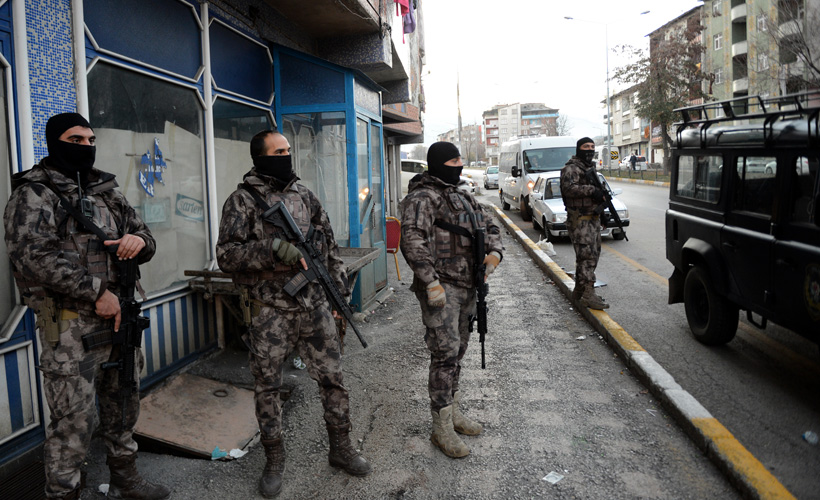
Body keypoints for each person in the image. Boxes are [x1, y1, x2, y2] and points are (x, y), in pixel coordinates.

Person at [3, 113, 167, 500]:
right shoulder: (34, 194)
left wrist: (139, 242)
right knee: (73, 420)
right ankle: (63, 492)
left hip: (121, 317)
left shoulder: (106, 192)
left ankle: (125, 479)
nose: (86, 146)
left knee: (123, 402)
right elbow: (32, 257)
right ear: (54, 142)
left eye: (91, 140)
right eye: (76, 140)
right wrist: (96, 292)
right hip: (68, 326)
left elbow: (145, 235)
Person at [216, 130, 370, 498]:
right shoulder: (242, 201)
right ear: (260, 157)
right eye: (278, 152)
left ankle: (341, 447)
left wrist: (339, 297)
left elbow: (330, 250)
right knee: (268, 387)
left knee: (333, 379)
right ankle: (274, 459)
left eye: (288, 150)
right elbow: (226, 256)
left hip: (314, 307)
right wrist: (271, 249)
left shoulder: (305, 196)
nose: (287, 156)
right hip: (270, 311)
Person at [399, 141, 504, 458]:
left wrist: (495, 253)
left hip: (468, 285)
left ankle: (453, 412)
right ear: (439, 164)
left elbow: (489, 223)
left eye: (460, 160)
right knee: (444, 355)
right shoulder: (422, 197)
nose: (459, 165)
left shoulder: (462, 194)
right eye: (453, 161)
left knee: (458, 352)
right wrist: (429, 281)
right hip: (441, 288)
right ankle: (440, 428)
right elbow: (412, 239)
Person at [560, 137, 609, 310]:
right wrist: (592, 190)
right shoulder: (571, 168)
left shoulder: (589, 169)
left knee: (592, 256)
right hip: (580, 221)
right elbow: (568, 189)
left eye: (592, 146)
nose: (590, 149)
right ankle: (588, 293)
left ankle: (580, 291)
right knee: (587, 258)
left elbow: (598, 196)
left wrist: (603, 213)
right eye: (586, 146)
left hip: (592, 219)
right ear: (579, 149)